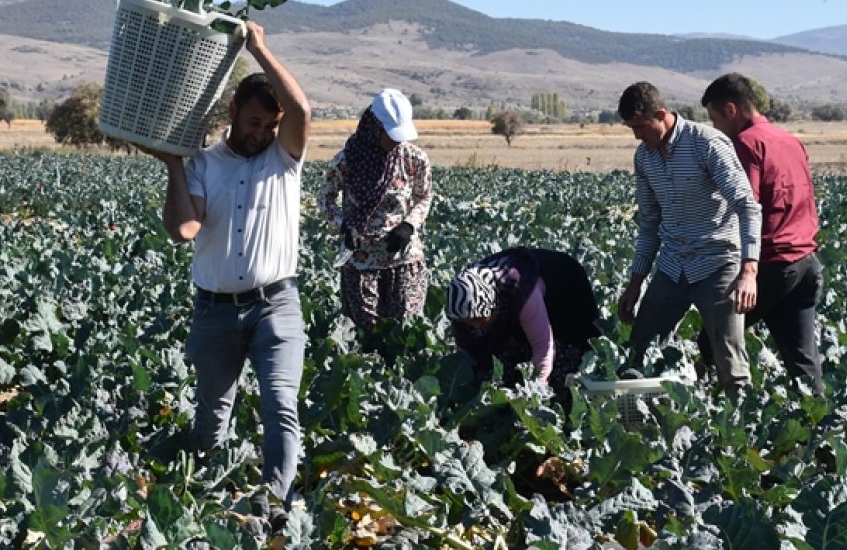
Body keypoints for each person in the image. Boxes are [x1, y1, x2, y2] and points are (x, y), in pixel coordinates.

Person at [138, 20, 311, 524]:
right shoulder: (203, 164)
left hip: (275, 305)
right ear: (233, 112)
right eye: (254, 122)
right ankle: (207, 499)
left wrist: (260, 47)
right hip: (214, 310)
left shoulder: (284, 159)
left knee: (281, 403)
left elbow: (302, 110)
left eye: (269, 126)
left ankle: (276, 504)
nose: (261, 134)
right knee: (212, 417)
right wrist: (172, 165)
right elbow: (185, 229)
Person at [615, 81, 762, 398]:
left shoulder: (707, 144)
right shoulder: (645, 158)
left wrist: (748, 272)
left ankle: (744, 434)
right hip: (672, 264)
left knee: (729, 359)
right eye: (631, 128)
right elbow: (650, 223)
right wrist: (635, 282)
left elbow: (747, 206)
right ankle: (642, 426)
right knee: (641, 348)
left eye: (641, 126)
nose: (637, 135)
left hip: (717, 262)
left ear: (662, 114)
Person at [699, 73, 825, 395]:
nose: (716, 129)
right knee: (803, 365)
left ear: (731, 110)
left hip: (771, 264)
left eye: (715, 119)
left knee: (712, 339)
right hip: (806, 263)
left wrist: (743, 270)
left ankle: (719, 417)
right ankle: (823, 433)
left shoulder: (746, 144)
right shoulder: (789, 140)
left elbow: (745, 206)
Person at [318, 88, 433, 343]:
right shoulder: (347, 160)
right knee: (365, 337)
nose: (396, 141)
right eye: (391, 135)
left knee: (405, 333)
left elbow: (423, 196)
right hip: (361, 262)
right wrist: (344, 226)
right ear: (374, 126)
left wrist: (409, 226)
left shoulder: (414, 159)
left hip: (403, 259)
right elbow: (325, 198)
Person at [445, 247, 601, 398]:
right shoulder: (461, 305)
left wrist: (532, 393)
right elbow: (466, 359)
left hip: (565, 289)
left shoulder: (520, 287)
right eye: (468, 322)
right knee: (500, 369)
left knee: (566, 372)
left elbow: (543, 349)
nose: (475, 325)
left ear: (491, 304)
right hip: (514, 303)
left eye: (479, 319)